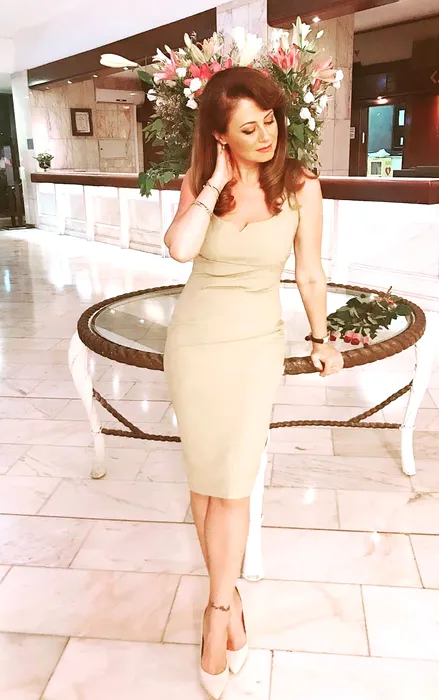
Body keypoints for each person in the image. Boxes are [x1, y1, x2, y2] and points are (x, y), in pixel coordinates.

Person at [163, 66, 343, 699]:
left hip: (254, 345)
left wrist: (321, 337)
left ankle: (216, 616)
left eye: (270, 121)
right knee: (204, 482)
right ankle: (230, 600)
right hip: (194, 342)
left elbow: (310, 272)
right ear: (220, 135)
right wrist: (214, 181)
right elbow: (180, 249)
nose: (266, 136)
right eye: (248, 128)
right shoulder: (199, 183)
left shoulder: (301, 186)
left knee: (233, 484)